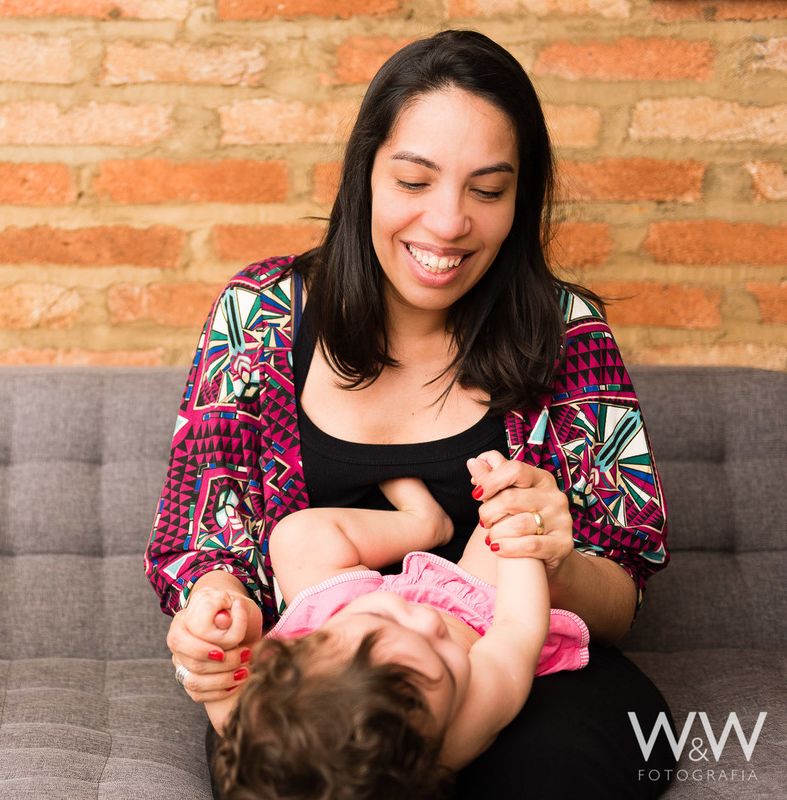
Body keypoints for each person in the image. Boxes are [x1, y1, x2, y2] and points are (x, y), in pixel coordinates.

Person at [145, 29, 676, 800]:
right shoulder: (260, 312)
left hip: (509, 657)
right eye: (415, 180)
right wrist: (216, 610)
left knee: (553, 770)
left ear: (521, 200)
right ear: (364, 175)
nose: (449, 223)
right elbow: (207, 540)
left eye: (488, 191)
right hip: (327, 689)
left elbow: (621, 596)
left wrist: (547, 557)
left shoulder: (566, 333)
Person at [203, 464, 590, 799]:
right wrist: (515, 527)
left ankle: (423, 520)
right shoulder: (469, 714)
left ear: (290, 653)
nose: (428, 621)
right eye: (442, 658)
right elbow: (518, 627)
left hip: (355, 600)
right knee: (497, 538)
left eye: (388, 625)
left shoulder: (269, 721)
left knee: (296, 537)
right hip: (474, 609)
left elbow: (226, 706)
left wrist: (220, 627)